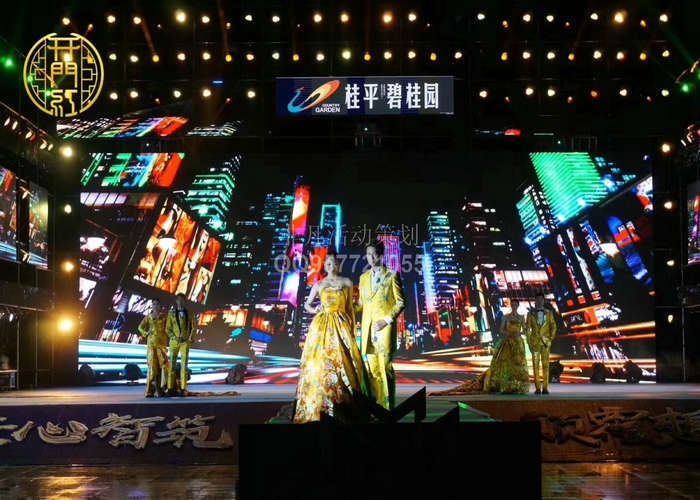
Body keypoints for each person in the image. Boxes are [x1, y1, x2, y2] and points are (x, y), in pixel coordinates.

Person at [293, 252, 368, 423]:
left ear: (338, 264)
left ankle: (342, 404)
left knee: (342, 361)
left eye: (334, 263)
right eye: (328, 264)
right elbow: (306, 304)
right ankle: (319, 404)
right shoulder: (319, 284)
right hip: (321, 326)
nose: (331, 266)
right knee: (320, 362)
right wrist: (314, 309)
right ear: (324, 266)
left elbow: (349, 308)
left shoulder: (347, 282)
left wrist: (351, 329)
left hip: (341, 324)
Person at [429, 298, 530, 395]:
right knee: (505, 363)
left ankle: (517, 385)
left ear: (518, 306)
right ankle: (506, 385)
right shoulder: (506, 317)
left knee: (518, 363)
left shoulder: (521, 317)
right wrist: (509, 333)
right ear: (511, 306)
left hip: (518, 342)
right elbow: (501, 329)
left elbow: (525, 329)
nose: (514, 306)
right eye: (513, 305)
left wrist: (522, 332)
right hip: (508, 341)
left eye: (516, 305)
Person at [355, 240, 406, 410]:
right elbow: (361, 304)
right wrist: (344, 307)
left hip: (385, 329)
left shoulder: (392, 275)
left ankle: (389, 409)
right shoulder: (363, 278)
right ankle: (377, 408)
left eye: (374, 254)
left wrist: (385, 321)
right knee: (373, 370)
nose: (370, 257)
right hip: (368, 330)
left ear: (381, 255)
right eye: (368, 254)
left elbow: (400, 302)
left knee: (385, 368)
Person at [525, 292, 558, 395]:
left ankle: (545, 388)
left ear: (543, 301)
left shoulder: (549, 313)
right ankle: (537, 388)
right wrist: (529, 342)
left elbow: (553, 326)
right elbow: (527, 329)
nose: (539, 301)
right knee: (535, 366)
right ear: (535, 301)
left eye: (541, 299)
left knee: (546, 365)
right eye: (537, 299)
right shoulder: (530, 314)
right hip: (535, 343)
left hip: (545, 343)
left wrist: (550, 339)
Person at [165, 292, 197, 396]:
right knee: (171, 365)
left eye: (182, 300)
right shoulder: (171, 313)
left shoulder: (190, 313)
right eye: (179, 299)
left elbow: (194, 327)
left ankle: (183, 388)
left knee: (184, 365)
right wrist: (174, 337)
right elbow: (168, 329)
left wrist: (190, 338)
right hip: (174, 342)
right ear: (176, 301)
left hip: (185, 342)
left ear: (185, 301)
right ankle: (170, 388)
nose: (180, 301)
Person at [137, 298, 169, 397]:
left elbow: (169, 328)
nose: (155, 306)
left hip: (161, 344)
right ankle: (150, 391)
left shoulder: (164, 317)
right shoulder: (148, 317)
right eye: (153, 304)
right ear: (152, 306)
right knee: (152, 367)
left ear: (160, 306)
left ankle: (161, 390)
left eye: (157, 304)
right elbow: (140, 327)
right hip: (151, 344)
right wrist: (146, 333)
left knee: (162, 367)